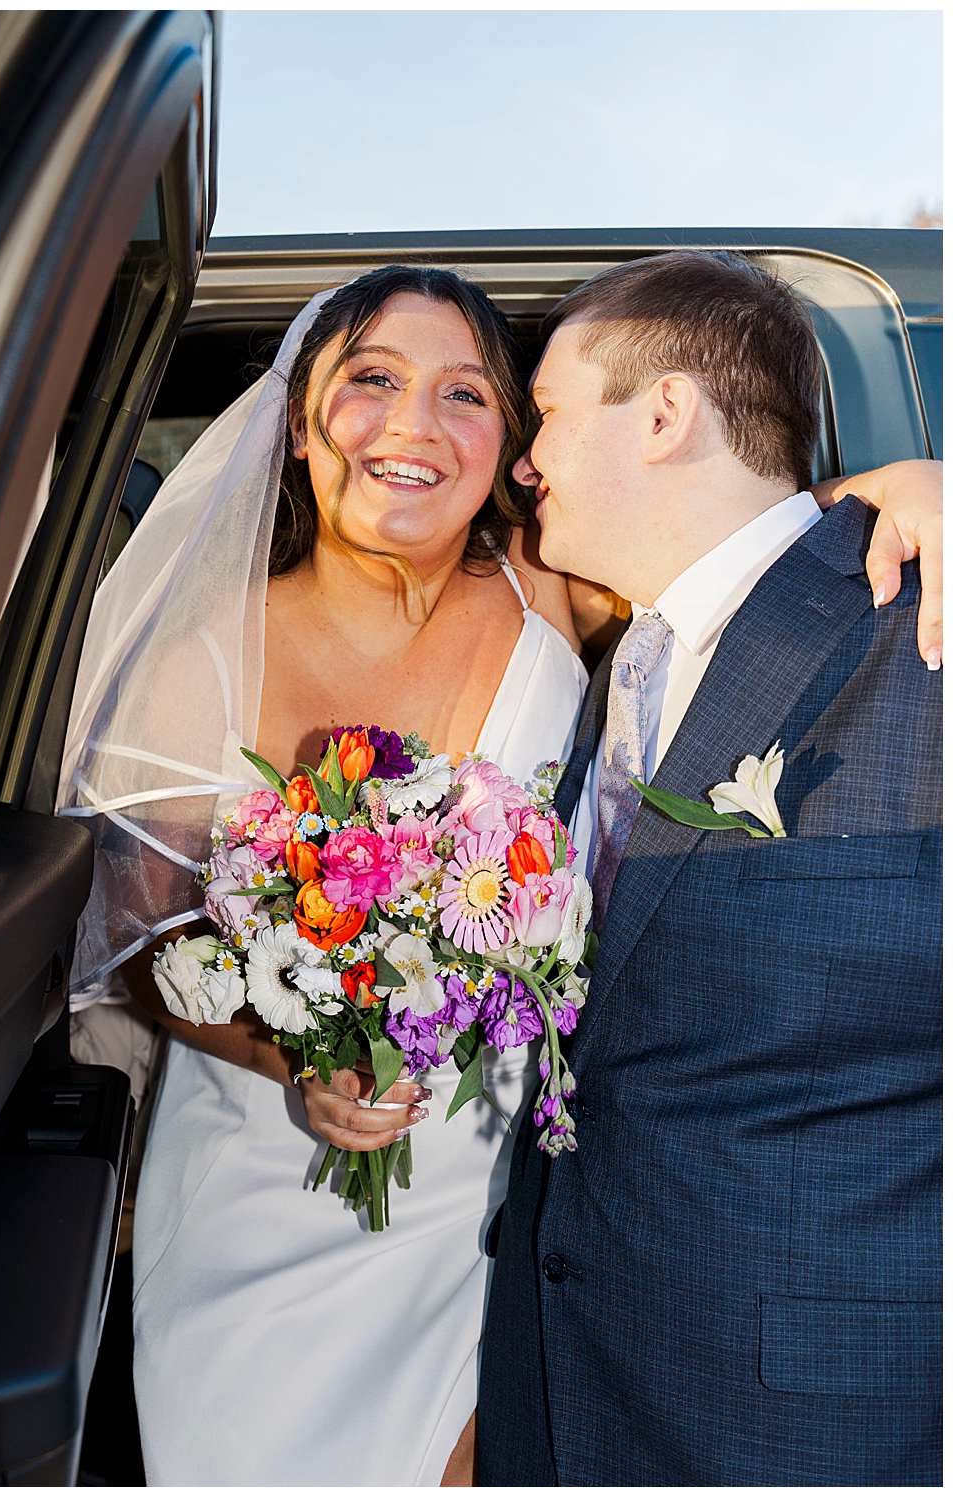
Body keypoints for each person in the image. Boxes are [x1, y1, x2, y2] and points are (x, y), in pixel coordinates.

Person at [54, 263, 940, 1485]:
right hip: (276, 1185)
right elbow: (134, 937)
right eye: (369, 381)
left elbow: (739, 538)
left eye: (469, 395)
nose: (414, 426)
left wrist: (904, 488)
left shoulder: (556, 590)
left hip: (509, 1200)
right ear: (297, 420)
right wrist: (303, 1055)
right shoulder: (196, 652)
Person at [476, 251, 940, 1485]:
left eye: (549, 419)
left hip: (812, 1424)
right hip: (569, 1374)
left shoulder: (922, 631)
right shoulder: (620, 664)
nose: (524, 462)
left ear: (667, 413)